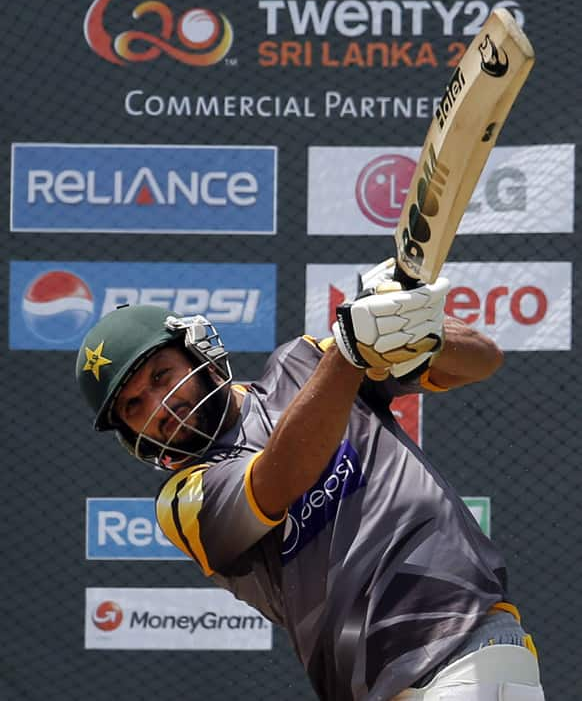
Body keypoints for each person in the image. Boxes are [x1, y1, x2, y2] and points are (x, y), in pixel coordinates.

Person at [76, 258, 545, 701]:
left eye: (162, 376)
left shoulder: (304, 363)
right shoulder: (180, 503)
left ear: (200, 352)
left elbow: (483, 359)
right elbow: (283, 476)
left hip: (464, 646)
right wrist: (350, 347)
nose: (160, 405)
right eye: (134, 406)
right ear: (128, 432)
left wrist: (420, 333)